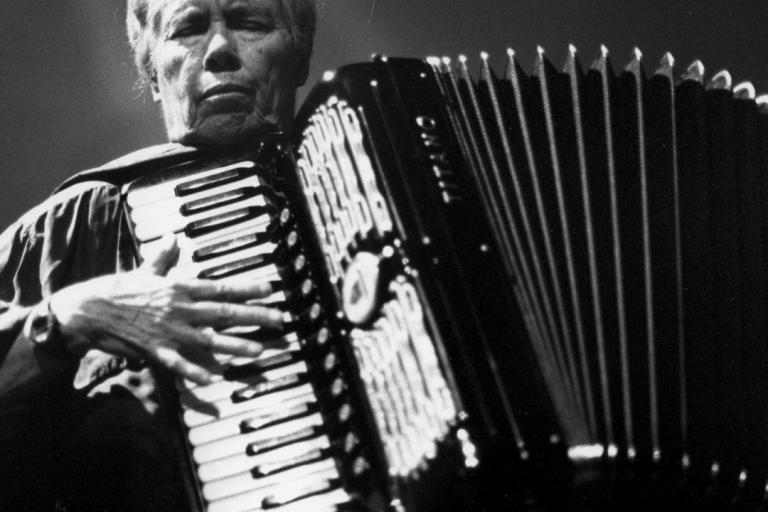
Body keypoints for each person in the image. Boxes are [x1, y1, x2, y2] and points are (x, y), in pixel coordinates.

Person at [0, 0, 316, 509]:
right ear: (152, 73)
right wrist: (68, 318)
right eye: (188, 29)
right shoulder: (74, 224)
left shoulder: (388, 184)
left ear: (300, 55)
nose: (218, 51)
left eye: (249, 23)